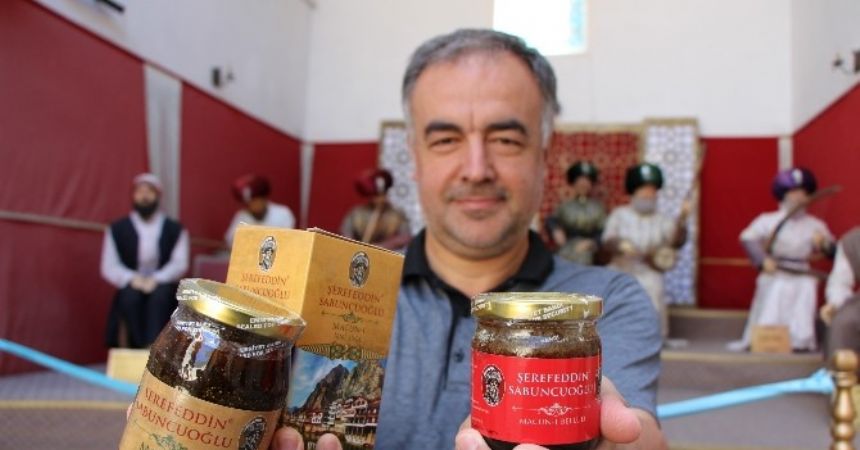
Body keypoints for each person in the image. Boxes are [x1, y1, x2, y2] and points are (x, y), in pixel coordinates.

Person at [270, 29, 666, 450]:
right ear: (415, 158)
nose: (476, 169)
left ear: (544, 157)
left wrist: (613, 438)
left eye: (506, 140)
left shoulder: (605, 304)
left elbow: (636, 429)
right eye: (446, 140)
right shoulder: (334, 295)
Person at [729, 167, 834, 352]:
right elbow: (747, 237)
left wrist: (823, 243)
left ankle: (800, 341)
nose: (798, 197)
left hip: (801, 272)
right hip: (776, 270)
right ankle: (767, 339)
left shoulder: (815, 225)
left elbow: (833, 251)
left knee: (805, 291)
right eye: (793, 192)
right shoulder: (768, 220)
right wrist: (762, 260)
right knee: (775, 294)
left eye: (802, 192)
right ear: (783, 194)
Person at [101, 173, 189, 348]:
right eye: (140, 191)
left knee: (160, 298)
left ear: (158, 196)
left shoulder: (175, 229)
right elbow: (109, 266)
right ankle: (135, 348)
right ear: (133, 196)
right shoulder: (117, 229)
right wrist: (132, 279)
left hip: (162, 283)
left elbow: (179, 263)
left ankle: (154, 347)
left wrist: (156, 279)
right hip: (132, 282)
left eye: (149, 191)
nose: (144, 196)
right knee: (129, 298)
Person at [601, 163, 688, 339]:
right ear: (634, 192)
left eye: (652, 191)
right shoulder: (619, 214)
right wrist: (621, 245)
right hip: (621, 268)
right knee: (611, 294)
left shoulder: (662, 220)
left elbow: (675, 241)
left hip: (648, 271)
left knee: (654, 291)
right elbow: (607, 240)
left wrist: (683, 218)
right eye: (644, 191)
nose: (648, 195)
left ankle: (651, 339)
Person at [546, 161, 606, 265]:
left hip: (589, 247)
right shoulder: (565, 205)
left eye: (586, 182)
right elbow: (551, 220)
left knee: (583, 258)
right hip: (567, 244)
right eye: (580, 182)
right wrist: (556, 230)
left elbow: (603, 231)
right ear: (574, 184)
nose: (583, 185)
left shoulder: (598, 207)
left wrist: (592, 242)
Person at [340, 168, 411, 250]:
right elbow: (346, 234)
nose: (380, 199)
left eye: (383, 194)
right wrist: (357, 247)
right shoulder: (356, 214)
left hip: (388, 254)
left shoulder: (397, 214)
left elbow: (405, 237)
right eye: (376, 196)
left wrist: (382, 246)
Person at [224, 174, 296, 248]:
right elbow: (231, 242)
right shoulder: (242, 216)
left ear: (264, 198)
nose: (254, 205)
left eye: (256, 200)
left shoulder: (283, 213)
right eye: (250, 202)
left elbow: (288, 241)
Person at [820, 228, 860, 358]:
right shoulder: (852, 240)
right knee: (844, 322)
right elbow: (840, 282)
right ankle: (841, 369)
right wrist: (835, 304)